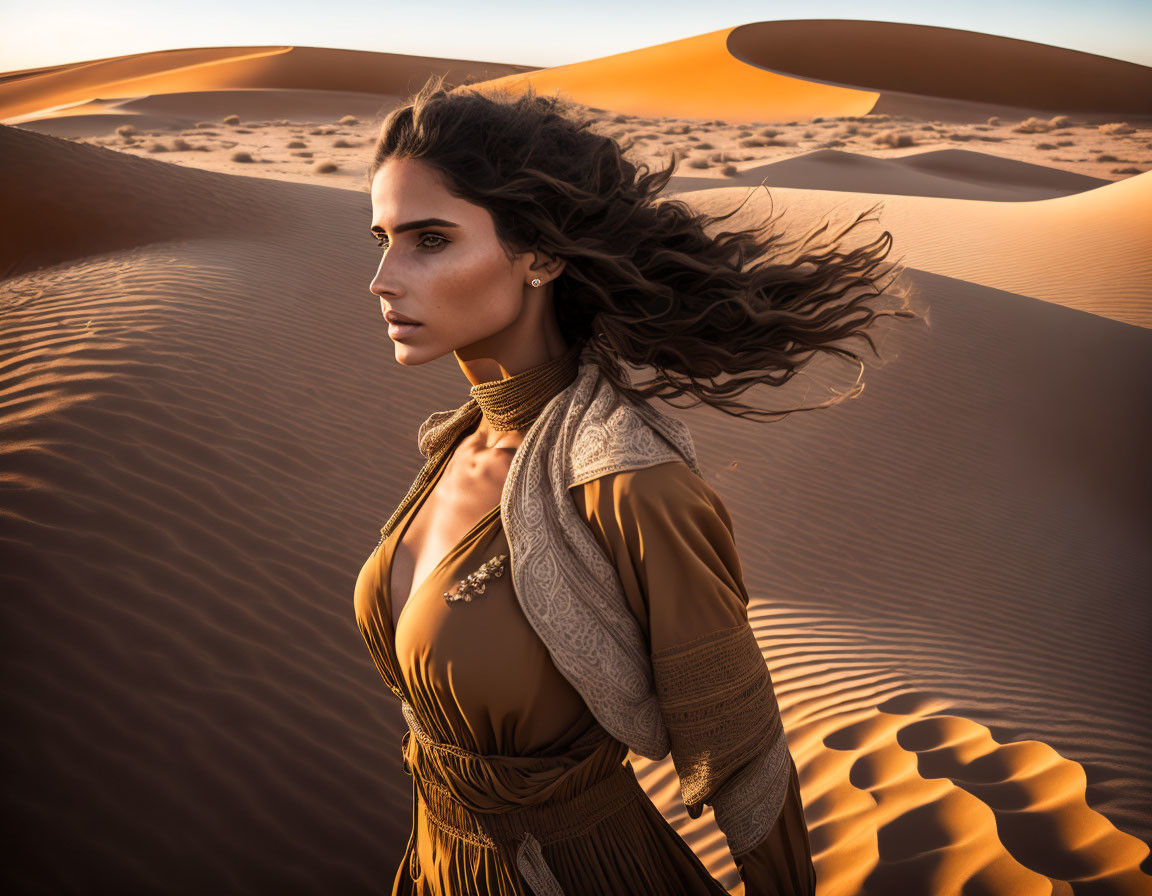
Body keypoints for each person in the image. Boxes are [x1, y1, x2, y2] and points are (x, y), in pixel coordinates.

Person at [353, 73, 919, 896]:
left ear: (541, 255)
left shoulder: (624, 482)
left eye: (430, 240)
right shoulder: (456, 447)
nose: (384, 278)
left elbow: (747, 763)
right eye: (383, 239)